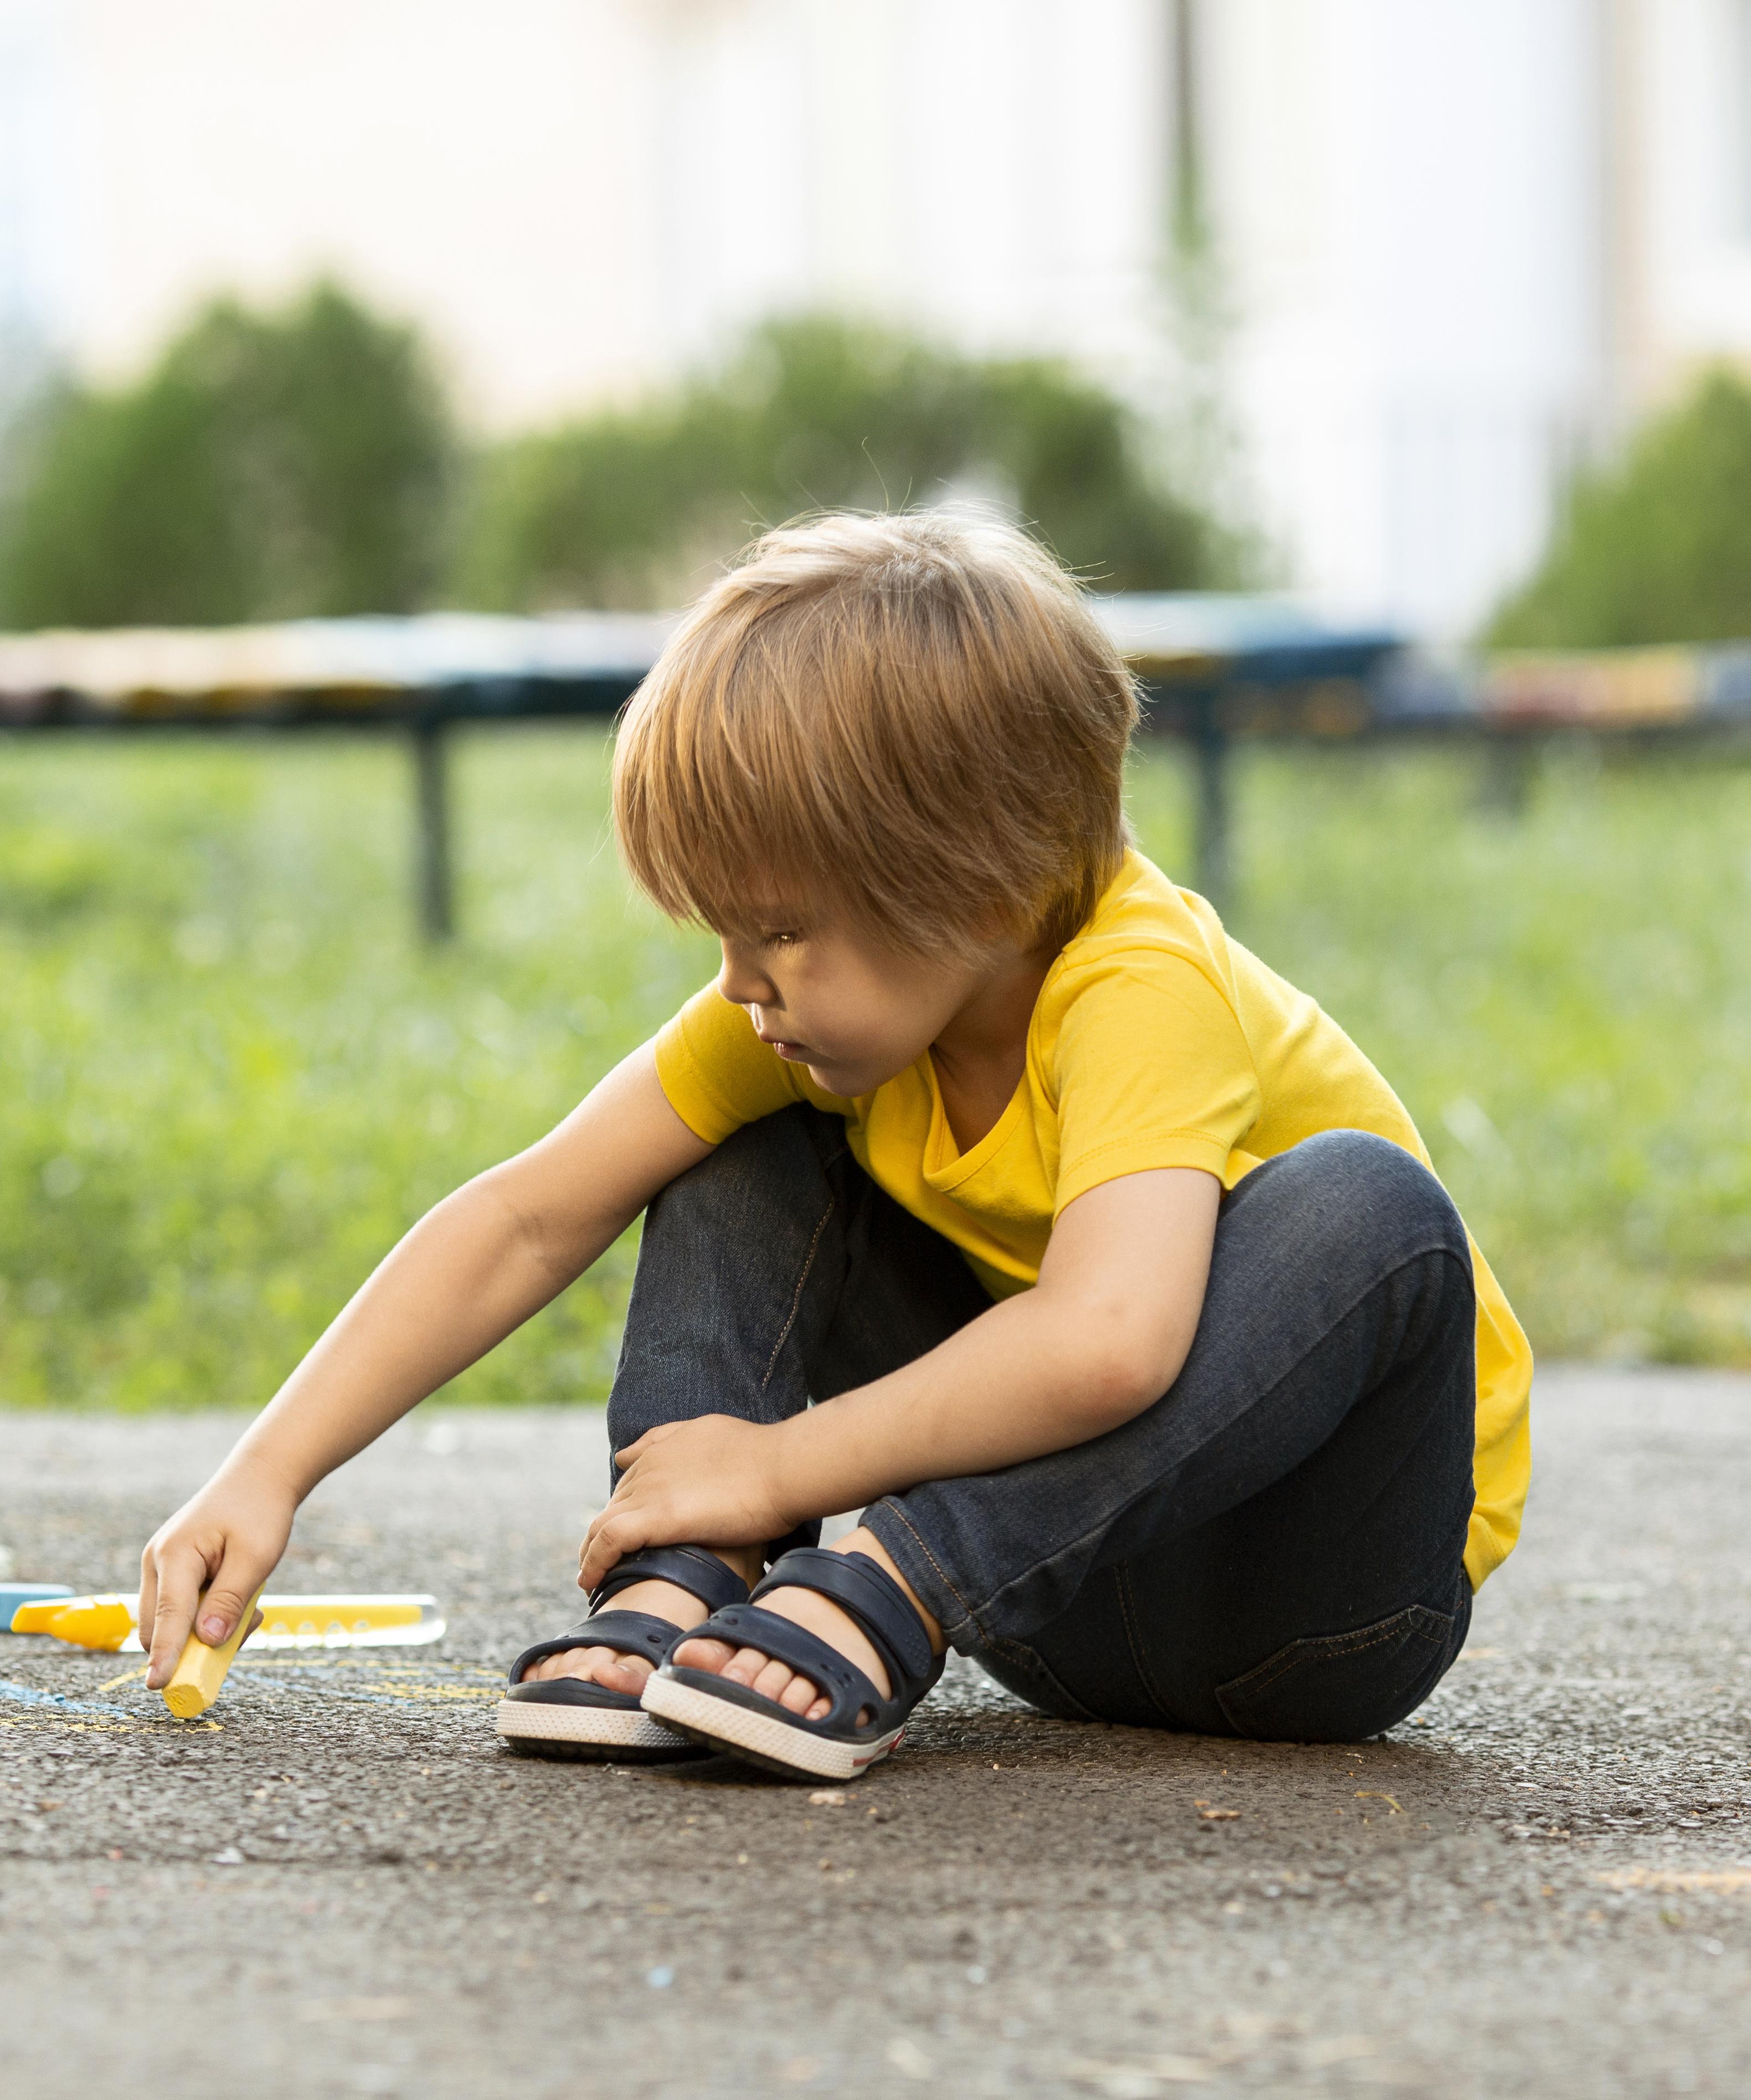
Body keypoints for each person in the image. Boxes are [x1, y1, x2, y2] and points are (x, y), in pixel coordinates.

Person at [137, 511, 1532, 1785]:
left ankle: (882, 1575)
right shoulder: (827, 1009)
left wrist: (782, 1465)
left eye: (779, 929)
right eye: (725, 934)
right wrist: (266, 1470)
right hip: (1046, 1601)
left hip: (1302, 1609)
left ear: (974, 880)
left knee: (1371, 1206)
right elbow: (527, 1214)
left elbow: (1110, 1340)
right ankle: (683, 1574)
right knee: (732, 1138)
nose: (742, 979)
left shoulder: (1141, 985)